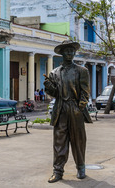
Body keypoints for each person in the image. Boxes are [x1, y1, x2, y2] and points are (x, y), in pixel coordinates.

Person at [44, 40, 92, 183]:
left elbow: (85, 92)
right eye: (67, 51)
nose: (70, 53)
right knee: (59, 142)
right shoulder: (54, 73)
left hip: (75, 108)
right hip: (60, 109)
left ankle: (81, 167)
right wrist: (48, 87)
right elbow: (54, 93)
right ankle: (58, 171)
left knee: (78, 140)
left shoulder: (82, 71)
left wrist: (80, 107)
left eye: (72, 51)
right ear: (62, 53)